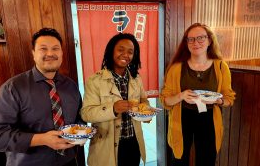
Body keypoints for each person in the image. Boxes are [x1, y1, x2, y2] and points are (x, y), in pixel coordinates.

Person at [0, 28, 83, 166]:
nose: (50, 53)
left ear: (61, 53)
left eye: (55, 49)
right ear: (33, 54)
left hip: (68, 161)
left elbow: (79, 120)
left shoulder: (71, 86)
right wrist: (41, 139)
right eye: (43, 49)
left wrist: (81, 134)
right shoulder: (13, 88)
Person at [160, 23, 236, 166]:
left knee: (207, 161)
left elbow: (229, 99)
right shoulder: (176, 68)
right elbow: (165, 100)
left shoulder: (220, 67)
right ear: (186, 43)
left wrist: (217, 101)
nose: (196, 43)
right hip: (182, 117)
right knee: (178, 160)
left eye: (201, 38)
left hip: (209, 119)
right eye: (191, 39)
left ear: (209, 40)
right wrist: (181, 96)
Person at [81, 33, 148, 166]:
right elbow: (86, 114)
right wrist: (113, 109)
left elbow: (143, 101)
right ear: (111, 51)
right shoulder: (95, 80)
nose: (125, 55)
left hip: (133, 143)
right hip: (106, 145)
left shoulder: (136, 79)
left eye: (130, 52)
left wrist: (145, 111)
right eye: (120, 50)